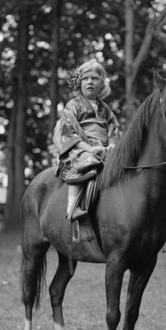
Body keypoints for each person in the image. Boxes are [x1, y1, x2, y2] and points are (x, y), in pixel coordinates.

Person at [53, 59, 120, 221]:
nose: (90, 82)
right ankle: (72, 208)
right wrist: (89, 149)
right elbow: (67, 130)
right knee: (85, 162)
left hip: (104, 148)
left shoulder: (105, 109)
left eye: (95, 78)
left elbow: (113, 127)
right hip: (81, 148)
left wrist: (112, 144)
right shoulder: (73, 105)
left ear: (102, 84)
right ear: (79, 83)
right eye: (85, 78)